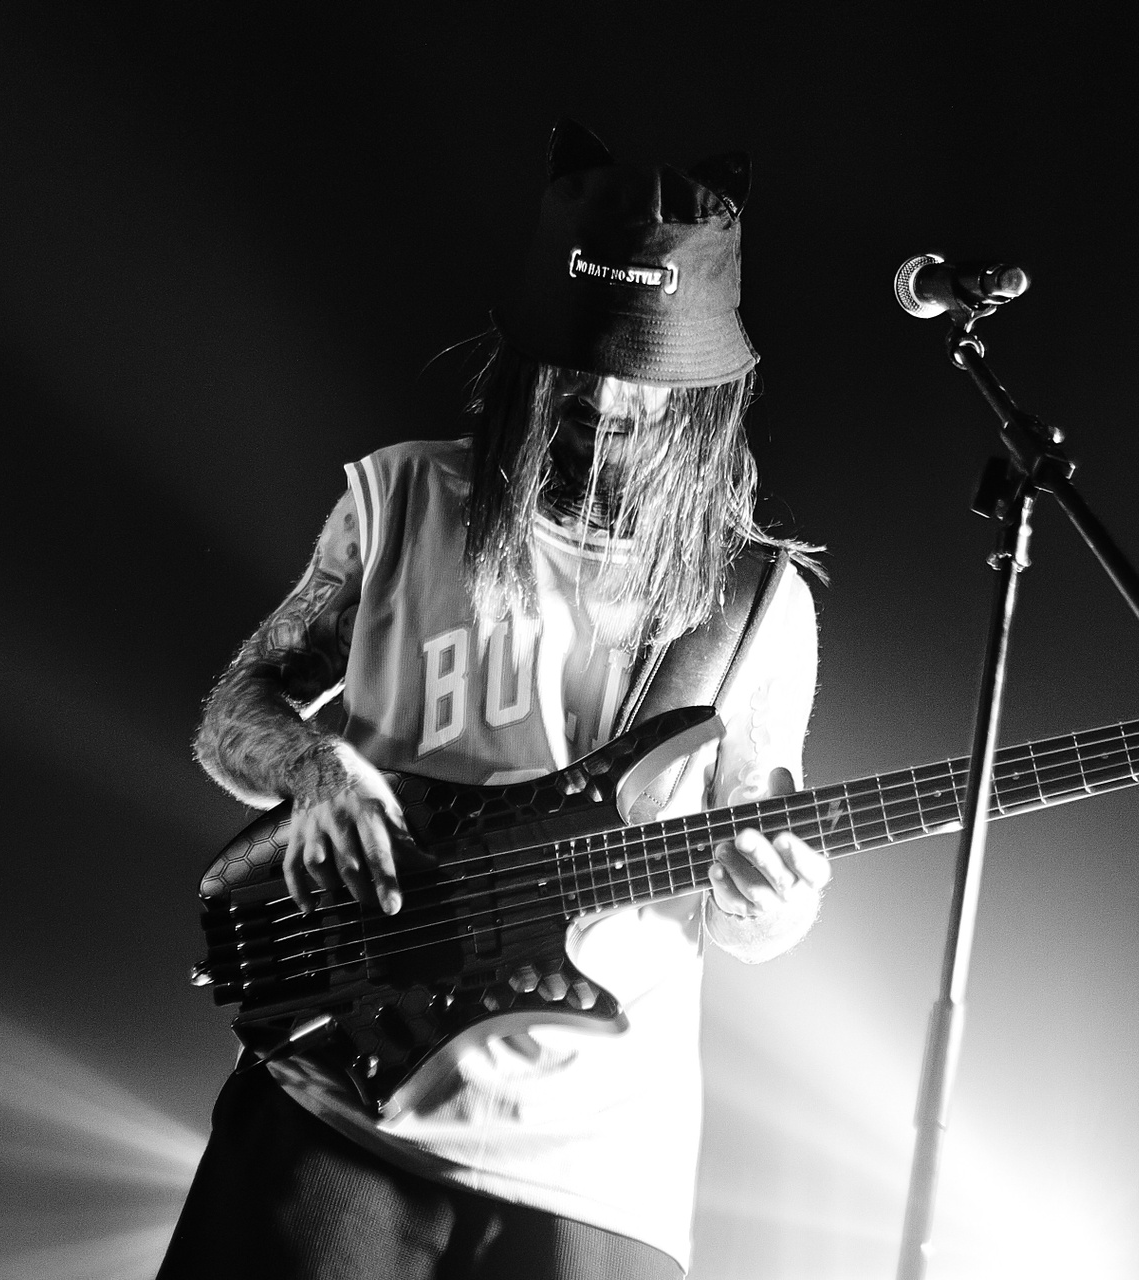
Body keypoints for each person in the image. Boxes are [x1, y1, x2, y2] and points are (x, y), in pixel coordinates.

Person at [158, 119, 828, 1280]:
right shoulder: (404, 496)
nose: (605, 395)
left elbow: (751, 902)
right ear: (529, 349)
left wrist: (775, 896)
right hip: (337, 1106)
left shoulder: (755, 600)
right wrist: (319, 768)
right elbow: (233, 714)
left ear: (703, 387)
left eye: (642, 369)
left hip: (598, 1175)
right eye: (580, 359)